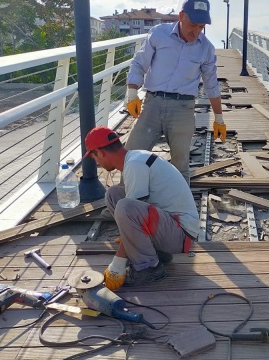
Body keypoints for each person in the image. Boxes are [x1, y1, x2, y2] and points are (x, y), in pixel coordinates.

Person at [83, 126, 199, 290]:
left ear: (100, 153)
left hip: (180, 235)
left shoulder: (135, 165)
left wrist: (117, 265)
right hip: (173, 228)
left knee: (125, 206)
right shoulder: (135, 158)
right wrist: (129, 240)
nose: (97, 163)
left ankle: (149, 269)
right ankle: (155, 254)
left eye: (94, 157)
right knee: (114, 193)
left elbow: (130, 211)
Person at [125, 0, 225, 184]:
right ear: (181, 17)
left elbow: (212, 85)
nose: (195, 31)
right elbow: (140, 63)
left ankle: (183, 210)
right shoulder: (159, 34)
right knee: (131, 155)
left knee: (181, 165)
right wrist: (132, 92)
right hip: (152, 104)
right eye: (192, 25)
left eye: (201, 27)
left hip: (183, 109)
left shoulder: (206, 49)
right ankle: (123, 205)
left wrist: (219, 118)